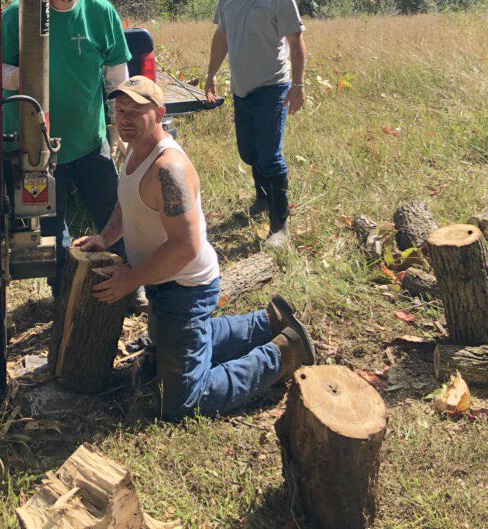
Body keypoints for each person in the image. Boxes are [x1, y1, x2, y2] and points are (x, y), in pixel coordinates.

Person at [75, 75, 315, 421]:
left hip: (186, 288)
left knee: (183, 401)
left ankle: (283, 353)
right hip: (163, 285)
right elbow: (127, 200)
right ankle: (266, 323)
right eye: (119, 109)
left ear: (159, 113)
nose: (124, 119)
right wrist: (106, 237)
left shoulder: (167, 169)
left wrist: (131, 279)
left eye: (135, 112)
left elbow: (185, 248)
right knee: (171, 343)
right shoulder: (132, 150)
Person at [2, 0, 132, 287]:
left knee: (115, 217)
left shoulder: (101, 13)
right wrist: (22, 76)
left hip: (91, 143)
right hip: (36, 149)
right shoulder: (19, 14)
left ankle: (130, 285)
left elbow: (117, 77)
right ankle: (63, 297)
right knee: (49, 230)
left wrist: (119, 131)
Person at [205, 0, 306, 250]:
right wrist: (210, 74)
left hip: (273, 86)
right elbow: (221, 36)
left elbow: (296, 43)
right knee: (249, 153)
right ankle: (262, 199)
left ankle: (280, 227)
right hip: (242, 88)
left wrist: (298, 86)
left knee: (270, 156)